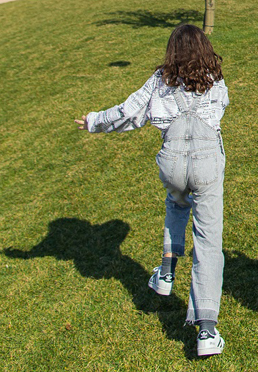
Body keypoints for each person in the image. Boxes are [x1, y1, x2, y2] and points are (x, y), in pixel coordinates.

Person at [75, 24, 229, 357]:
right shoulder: (215, 81)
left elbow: (128, 112)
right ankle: (206, 329)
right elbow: (222, 109)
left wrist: (93, 121)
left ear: (172, 51)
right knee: (209, 239)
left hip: (172, 161)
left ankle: (166, 272)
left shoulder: (159, 81)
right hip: (207, 162)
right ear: (204, 48)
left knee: (176, 204)